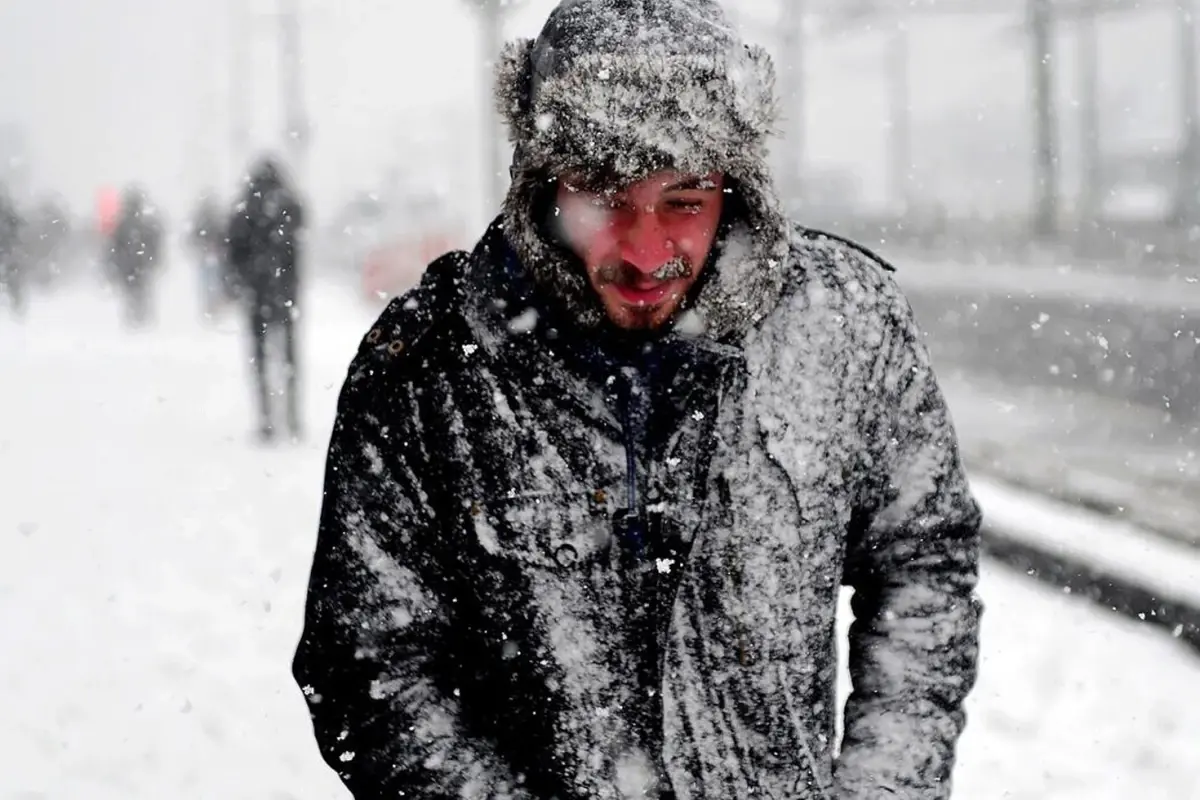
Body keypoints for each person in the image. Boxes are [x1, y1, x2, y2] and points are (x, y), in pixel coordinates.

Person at [293, 1, 983, 798]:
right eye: (603, 197)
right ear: (542, 186)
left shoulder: (845, 325)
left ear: (737, 188)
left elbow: (923, 567)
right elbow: (370, 661)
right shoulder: (429, 366)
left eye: (685, 201)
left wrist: (884, 788)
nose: (646, 250)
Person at [227, 156, 305, 442]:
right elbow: (297, 243)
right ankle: (293, 417)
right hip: (285, 292)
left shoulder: (245, 206)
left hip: (256, 292)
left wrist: (240, 281)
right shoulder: (290, 204)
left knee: (259, 356)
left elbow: (233, 250)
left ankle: (266, 419)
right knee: (288, 356)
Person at [108, 186, 164, 327]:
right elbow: (116, 245)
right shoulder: (141, 224)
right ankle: (139, 317)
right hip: (138, 264)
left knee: (135, 292)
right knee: (139, 292)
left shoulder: (125, 224)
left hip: (132, 265)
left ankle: (137, 317)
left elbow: (115, 246)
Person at [189, 191, 233, 321]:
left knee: (210, 284)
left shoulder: (204, 220)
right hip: (211, 258)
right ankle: (212, 309)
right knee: (212, 284)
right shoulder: (216, 220)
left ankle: (212, 309)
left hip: (211, 258)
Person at [0, 186, 25, 316]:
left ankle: (15, 306)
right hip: (7, 251)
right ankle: (15, 305)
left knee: (11, 278)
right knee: (12, 278)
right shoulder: (8, 212)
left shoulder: (7, 212)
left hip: (7, 251)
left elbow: (18, 224)